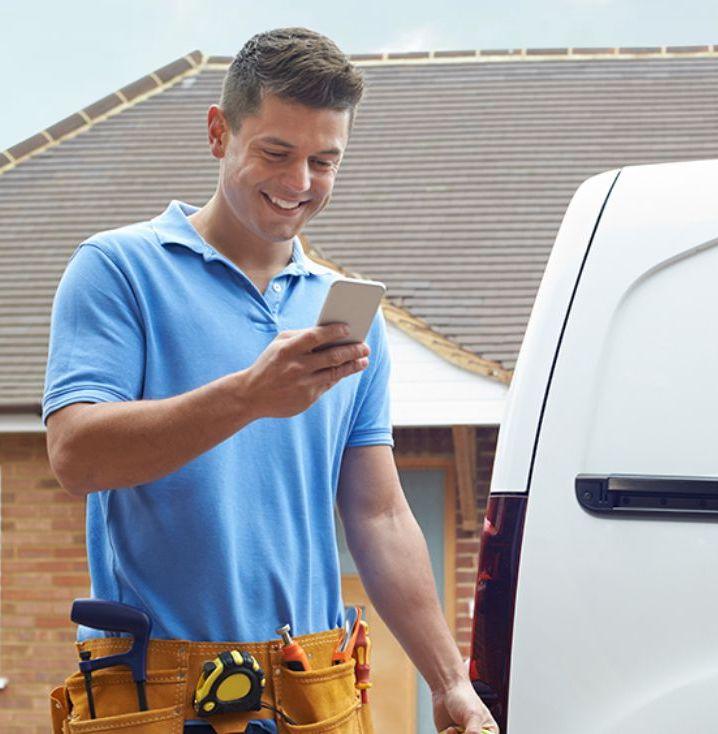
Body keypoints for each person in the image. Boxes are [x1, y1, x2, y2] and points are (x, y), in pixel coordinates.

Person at [44, 27, 498, 734]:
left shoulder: (344, 315)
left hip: (314, 688)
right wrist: (249, 396)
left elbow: (378, 515)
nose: (299, 184)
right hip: (162, 690)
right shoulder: (118, 270)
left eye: (324, 160)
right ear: (219, 131)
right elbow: (76, 457)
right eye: (277, 153)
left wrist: (449, 681)